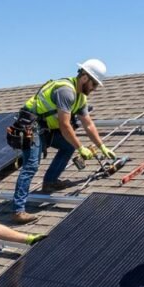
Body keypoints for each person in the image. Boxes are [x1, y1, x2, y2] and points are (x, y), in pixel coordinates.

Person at [10, 59, 114, 224]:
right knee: (31, 165)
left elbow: (88, 124)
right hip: (33, 126)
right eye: (94, 84)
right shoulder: (66, 91)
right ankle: (18, 210)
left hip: (48, 129)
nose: (94, 89)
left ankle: (50, 182)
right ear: (85, 77)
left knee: (67, 146)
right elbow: (65, 126)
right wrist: (81, 148)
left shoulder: (81, 98)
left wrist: (102, 146)